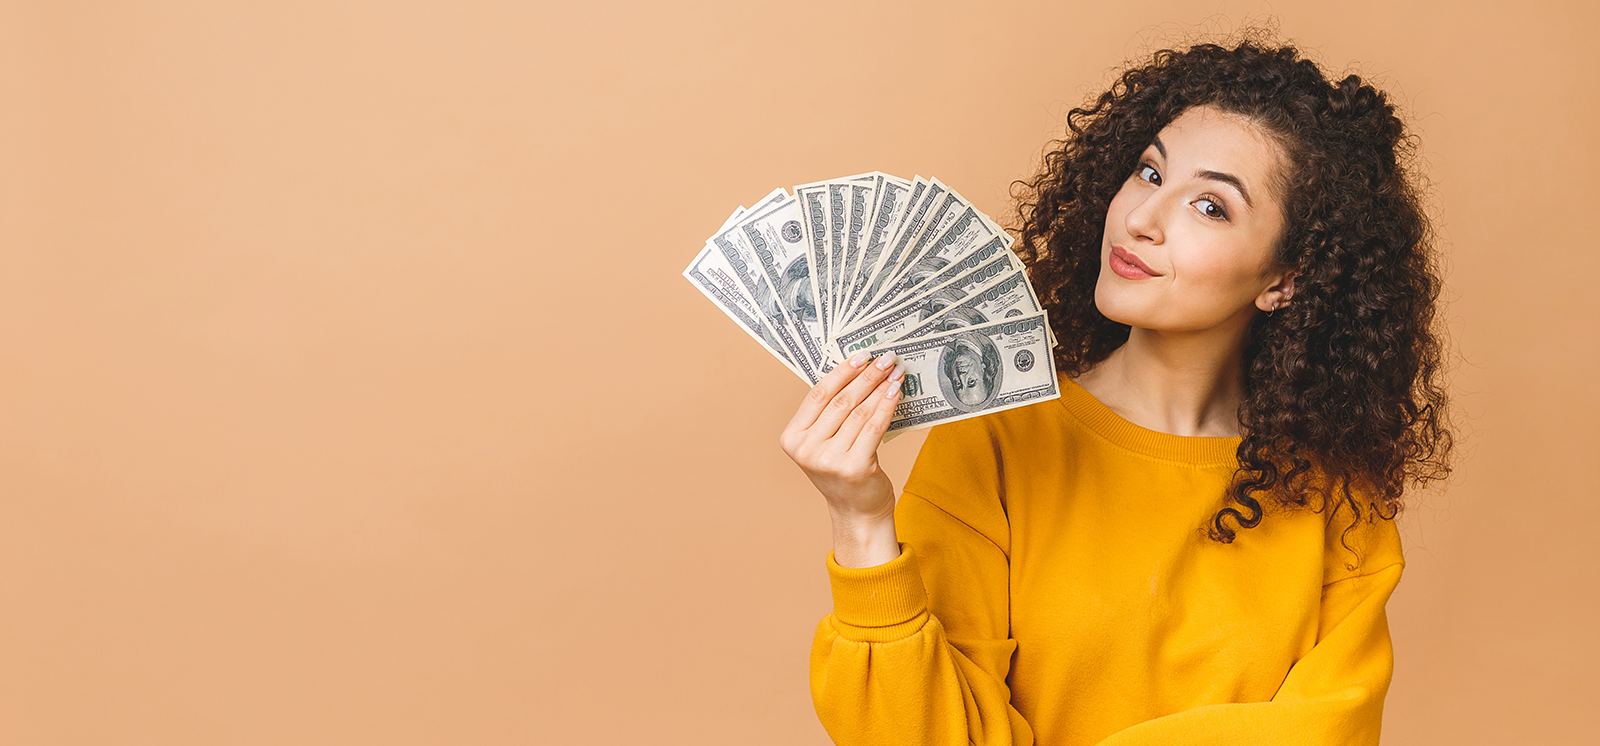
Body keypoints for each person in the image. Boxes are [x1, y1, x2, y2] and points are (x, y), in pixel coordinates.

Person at [779, 38, 1452, 746]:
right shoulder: (997, 439)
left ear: (1284, 281)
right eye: (1149, 171)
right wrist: (859, 521)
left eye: (1210, 207)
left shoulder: (1337, 501)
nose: (1141, 218)